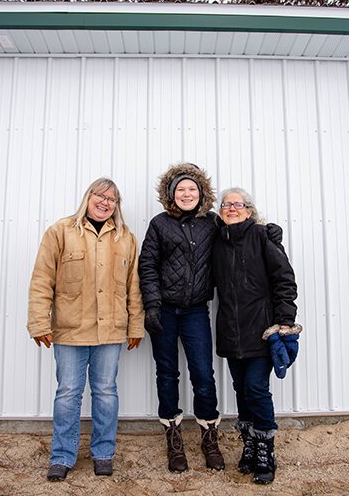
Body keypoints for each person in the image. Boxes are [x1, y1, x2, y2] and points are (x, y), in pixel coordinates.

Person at [138, 164, 283, 473]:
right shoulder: (159, 224)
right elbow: (147, 264)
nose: (186, 193)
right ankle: (174, 438)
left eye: (192, 189)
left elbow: (239, 233)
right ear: (171, 195)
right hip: (163, 310)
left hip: (195, 311)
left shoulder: (212, 223)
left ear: (201, 193)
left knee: (203, 375)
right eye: (180, 190)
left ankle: (209, 437)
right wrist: (151, 304)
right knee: (167, 374)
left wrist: (267, 231)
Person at [27, 177, 144, 482]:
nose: (105, 203)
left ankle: (104, 453)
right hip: (70, 330)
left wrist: (136, 326)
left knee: (106, 392)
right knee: (68, 393)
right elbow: (42, 279)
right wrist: (39, 321)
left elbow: (134, 286)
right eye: (100, 196)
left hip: (111, 331)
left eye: (112, 199)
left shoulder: (126, 238)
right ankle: (62, 456)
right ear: (88, 197)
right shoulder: (61, 231)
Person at [212, 187, 299, 485]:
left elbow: (284, 279)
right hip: (230, 330)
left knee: (256, 388)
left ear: (249, 210)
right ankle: (249, 442)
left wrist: (285, 320)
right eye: (226, 205)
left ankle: (265, 448)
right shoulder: (217, 240)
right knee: (241, 389)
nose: (231, 208)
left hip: (262, 330)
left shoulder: (263, 237)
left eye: (237, 204)